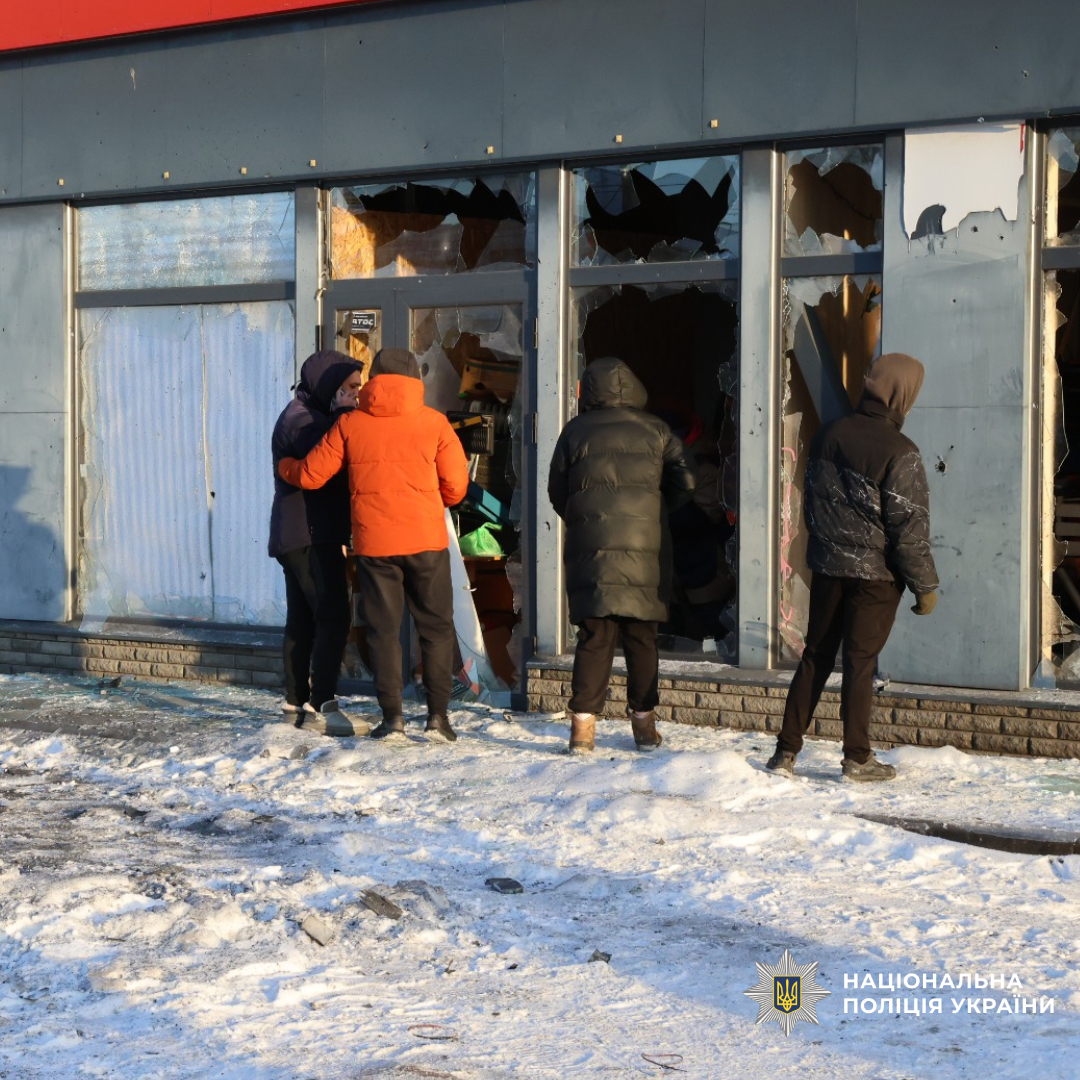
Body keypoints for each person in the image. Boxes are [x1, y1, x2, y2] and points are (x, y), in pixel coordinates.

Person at [278, 347, 469, 741]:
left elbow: (312, 475)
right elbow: (456, 488)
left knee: (383, 632)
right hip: (427, 542)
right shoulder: (434, 423)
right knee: (436, 629)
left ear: (375, 380)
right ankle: (438, 719)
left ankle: (393, 719)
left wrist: (286, 467)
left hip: (376, 545)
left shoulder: (350, 423)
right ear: (415, 379)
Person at [767, 352, 939, 782]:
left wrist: (825, 552)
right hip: (876, 578)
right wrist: (925, 586)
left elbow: (811, 503)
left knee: (815, 657)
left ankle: (785, 753)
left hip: (829, 569)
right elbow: (908, 528)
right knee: (860, 664)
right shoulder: (901, 451)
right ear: (904, 394)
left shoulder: (830, 433)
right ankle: (857, 758)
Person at [548, 357, 696, 754]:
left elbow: (557, 490)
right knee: (642, 638)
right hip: (645, 548)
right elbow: (687, 480)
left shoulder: (574, 431)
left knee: (594, 637)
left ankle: (582, 730)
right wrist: (655, 513)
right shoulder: (657, 429)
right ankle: (644, 727)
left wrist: (583, 518)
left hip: (591, 550)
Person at [269, 349, 366, 736]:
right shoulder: (304, 420)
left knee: (304, 621)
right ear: (329, 385)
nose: (356, 395)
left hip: (302, 534)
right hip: (309, 535)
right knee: (333, 617)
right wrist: (343, 419)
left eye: (358, 388)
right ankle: (322, 705)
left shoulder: (310, 414)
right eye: (350, 388)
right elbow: (322, 467)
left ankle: (295, 703)